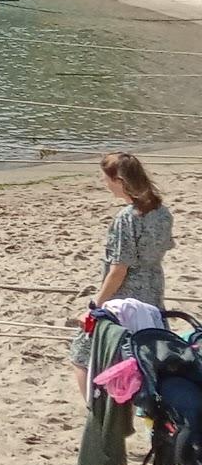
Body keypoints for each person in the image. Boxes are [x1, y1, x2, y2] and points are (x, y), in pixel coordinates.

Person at [68, 153, 174, 398]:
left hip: (126, 295)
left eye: (106, 179)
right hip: (153, 289)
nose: (104, 183)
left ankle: (95, 415)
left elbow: (119, 270)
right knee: (143, 349)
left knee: (81, 353)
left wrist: (96, 305)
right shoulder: (162, 212)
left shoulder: (126, 218)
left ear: (119, 180)